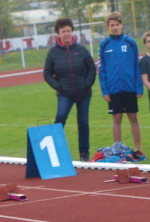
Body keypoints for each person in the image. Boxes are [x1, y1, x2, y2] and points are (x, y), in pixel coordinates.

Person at [44, 17, 97, 161]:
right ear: (58, 34)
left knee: (83, 122)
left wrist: (87, 84)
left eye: (68, 31)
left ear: (72, 32)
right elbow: (47, 74)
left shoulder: (81, 50)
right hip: (65, 94)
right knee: (60, 118)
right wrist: (59, 87)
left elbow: (92, 68)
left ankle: (84, 153)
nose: (66, 34)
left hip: (84, 93)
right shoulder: (53, 53)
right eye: (63, 31)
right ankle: (54, 153)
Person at [99, 12, 145, 160]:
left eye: (117, 25)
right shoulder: (104, 45)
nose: (114, 27)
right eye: (112, 25)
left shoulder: (130, 43)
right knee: (117, 117)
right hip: (113, 88)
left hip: (130, 86)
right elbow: (102, 69)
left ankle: (138, 149)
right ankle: (118, 149)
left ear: (121, 25)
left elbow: (136, 66)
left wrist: (139, 87)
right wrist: (105, 90)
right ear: (108, 27)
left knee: (133, 117)